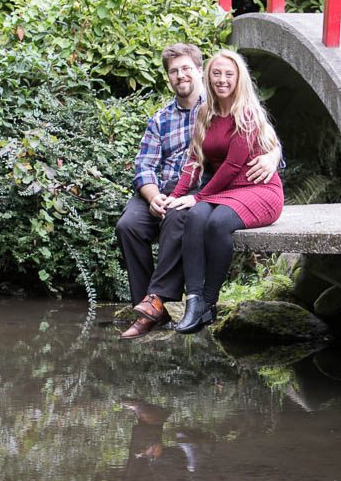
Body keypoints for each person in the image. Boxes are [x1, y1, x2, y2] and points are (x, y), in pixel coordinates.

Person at [116, 44, 280, 339]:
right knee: (128, 225)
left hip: (204, 189)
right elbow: (145, 166)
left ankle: (157, 301)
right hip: (165, 189)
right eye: (174, 71)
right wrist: (155, 197)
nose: (181, 75)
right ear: (168, 77)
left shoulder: (222, 101)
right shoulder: (161, 119)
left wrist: (274, 155)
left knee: (181, 218)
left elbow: (260, 145)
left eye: (186, 69)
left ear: (198, 72)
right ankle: (150, 305)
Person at [165, 50, 284, 334]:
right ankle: (193, 300)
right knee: (195, 217)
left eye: (229, 74)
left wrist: (197, 196)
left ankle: (209, 301)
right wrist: (173, 198)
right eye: (216, 73)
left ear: (239, 78)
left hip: (259, 189)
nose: (222, 80)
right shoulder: (206, 112)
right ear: (208, 77)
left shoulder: (247, 113)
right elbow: (195, 161)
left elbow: (232, 166)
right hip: (226, 190)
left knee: (217, 223)